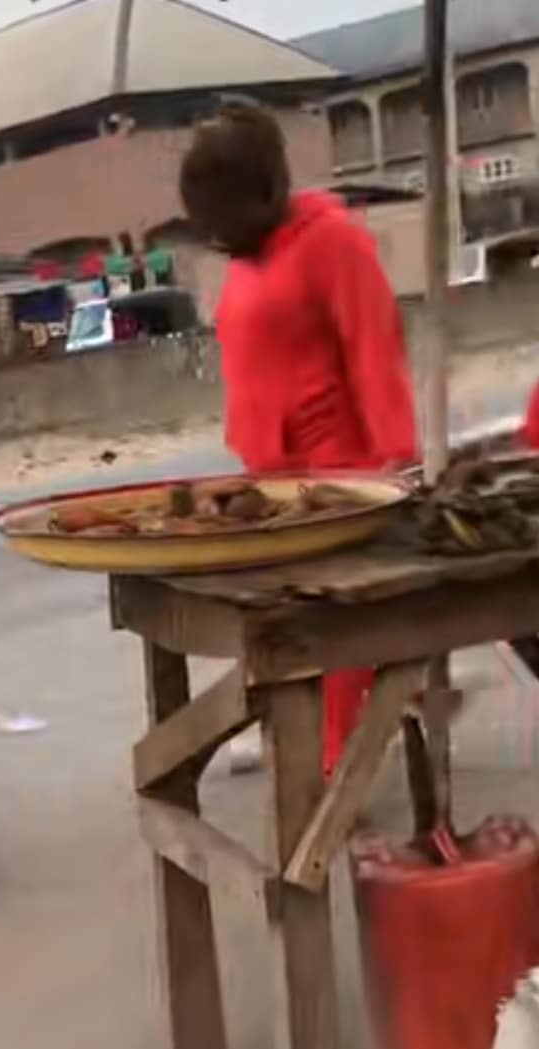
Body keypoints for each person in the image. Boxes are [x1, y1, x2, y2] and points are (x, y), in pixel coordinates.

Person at [180, 103, 417, 776]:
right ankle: (317, 725)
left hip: (336, 469)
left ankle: (340, 766)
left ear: (257, 193)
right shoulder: (254, 255)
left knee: (331, 627)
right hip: (270, 474)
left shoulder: (332, 239)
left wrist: (397, 462)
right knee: (279, 621)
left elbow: (375, 347)